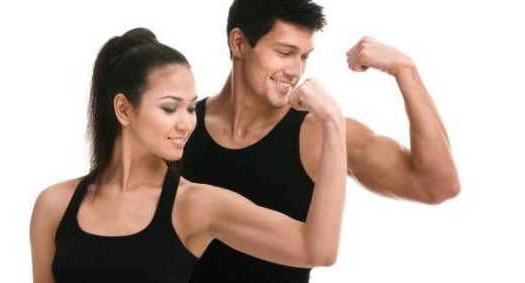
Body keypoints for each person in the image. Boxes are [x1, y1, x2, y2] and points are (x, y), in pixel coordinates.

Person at [29, 27, 347, 283]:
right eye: (170, 108)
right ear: (124, 109)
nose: (186, 123)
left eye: (192, 107)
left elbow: (316, 249)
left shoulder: (195, 205)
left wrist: (332, 124)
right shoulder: (54, 205)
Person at [180, 0, 461, 282]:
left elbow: (437, 185)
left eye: (303, 57)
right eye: (284, 52)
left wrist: (406, 71)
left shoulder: (318, 134)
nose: (295, 71)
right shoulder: (179, 128)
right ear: (239, 43)